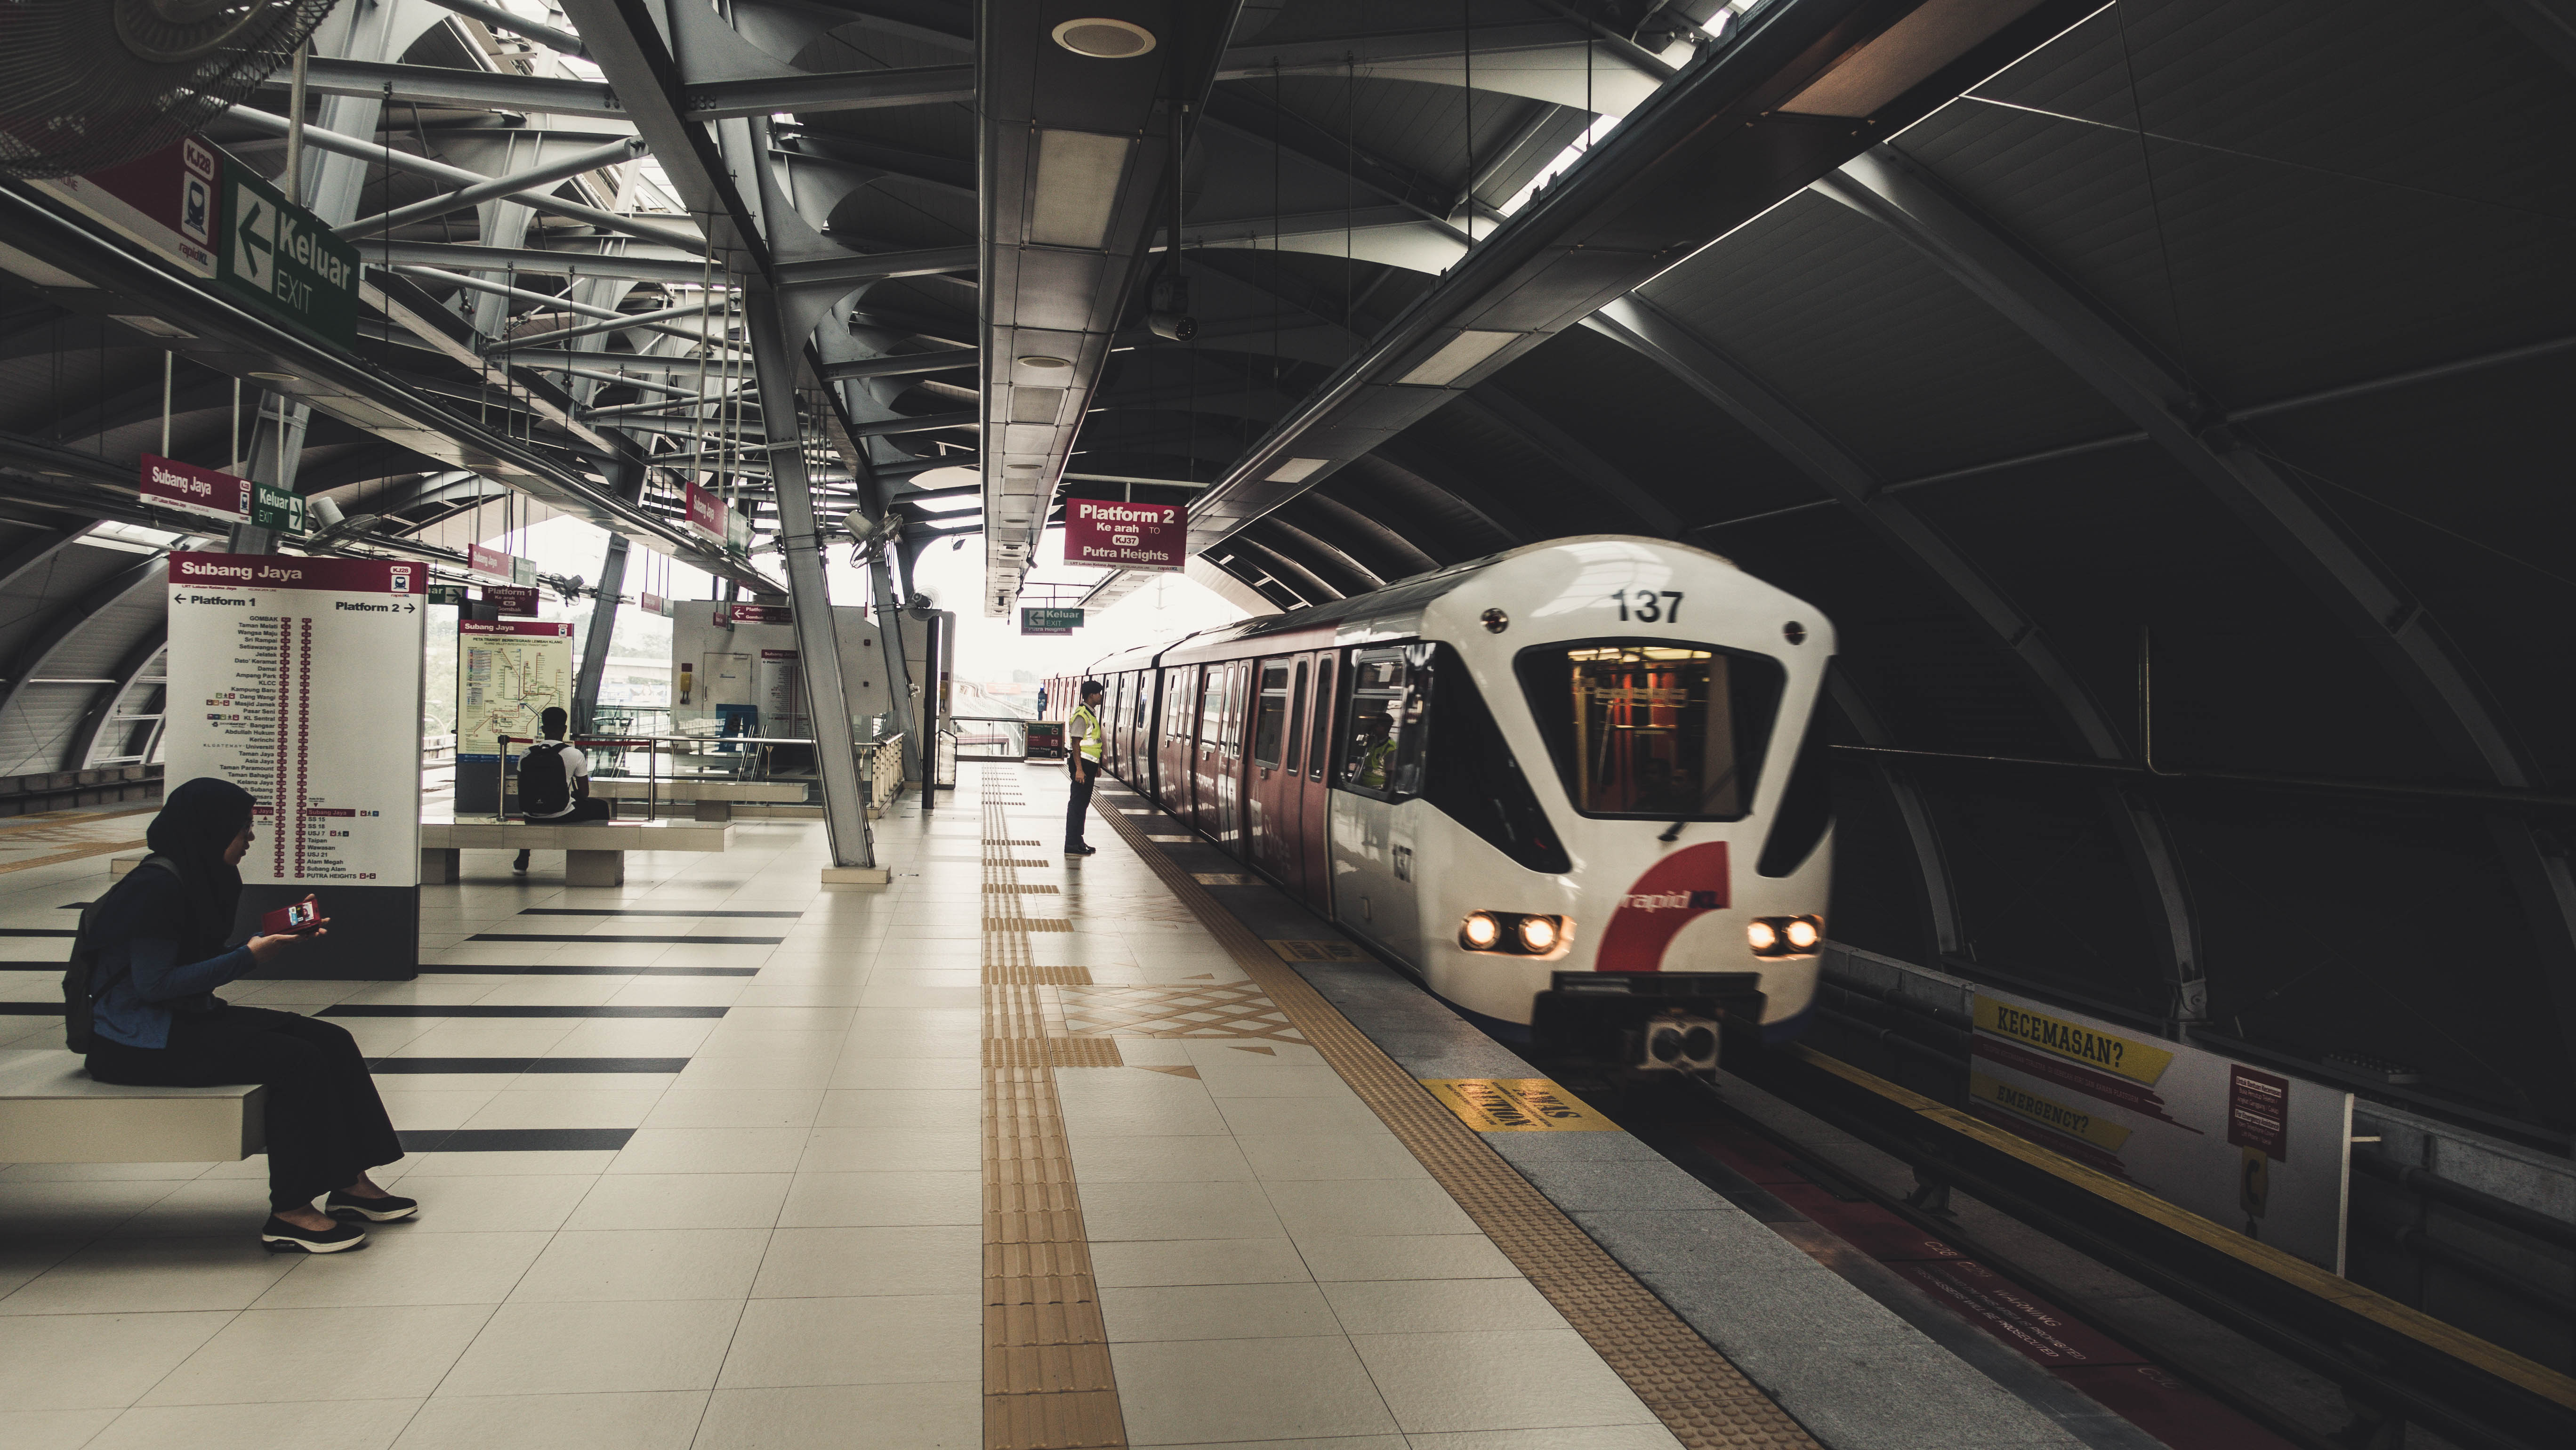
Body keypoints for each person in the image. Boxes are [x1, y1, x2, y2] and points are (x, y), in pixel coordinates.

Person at [81, 778, 412, 1253]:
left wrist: (265, 942)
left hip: (181, 1020)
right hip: (135, 1043)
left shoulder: (195, 877)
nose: (251, 837)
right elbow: (155, 986)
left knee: (331, 1039)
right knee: (296, 1060)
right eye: (243, 828)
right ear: (211, 830)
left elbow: (191, 965)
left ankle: (349, 1182)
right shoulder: (155, 888)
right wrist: (250, 956)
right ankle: (291, 1212)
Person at [514, 705, 612, 874]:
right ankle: (597, 857)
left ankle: (523, 858)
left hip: (531, 814)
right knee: (601, 807)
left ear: (543, 729)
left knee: (534, 811)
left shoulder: (526, 753)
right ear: (565, 729)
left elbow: (521, 786)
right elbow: (585, 794)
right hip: (562, 813)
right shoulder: (575, 754)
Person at [1064, 678, 1105, 857]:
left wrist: (1097, 765)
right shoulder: (1082, 715)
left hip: (1089, 765)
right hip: (1082, 765)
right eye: (1098, 693)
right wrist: (1079, 770)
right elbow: (1076, 744)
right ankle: (1072, 843)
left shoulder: (1090, 713)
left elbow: (1094, 743)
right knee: (1077, 805)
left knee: (1083, 804)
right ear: (1091, 695)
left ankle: (1078, 840)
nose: (1101, 696)